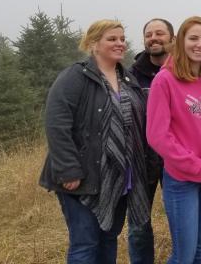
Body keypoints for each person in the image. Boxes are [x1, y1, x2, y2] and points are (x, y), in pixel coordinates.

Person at [39, 20, 152, 263]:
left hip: (121, 177)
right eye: (112, 39)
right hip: (83, 179)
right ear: (93, 44)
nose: (120, 43)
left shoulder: (127, 78)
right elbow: (57, 124)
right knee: (85, 243)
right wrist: (68, 170)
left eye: (122, 38)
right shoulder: (75, 77)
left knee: (108, 239)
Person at [146, 16, 201, 264]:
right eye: (194, 38)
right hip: (183, 179)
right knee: (183, 256)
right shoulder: (164, 80)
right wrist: (195, 164)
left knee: (200, 248)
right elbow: (157, 135)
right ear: (180, 41)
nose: (200, 44)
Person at [127, 17, 174, 264]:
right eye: (149, 34)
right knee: (138, 224)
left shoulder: (185, 71)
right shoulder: (130, 76)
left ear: (172, 39)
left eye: (159, 33)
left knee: (181, 219)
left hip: (175, 158)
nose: (153, 38)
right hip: (141, 159)